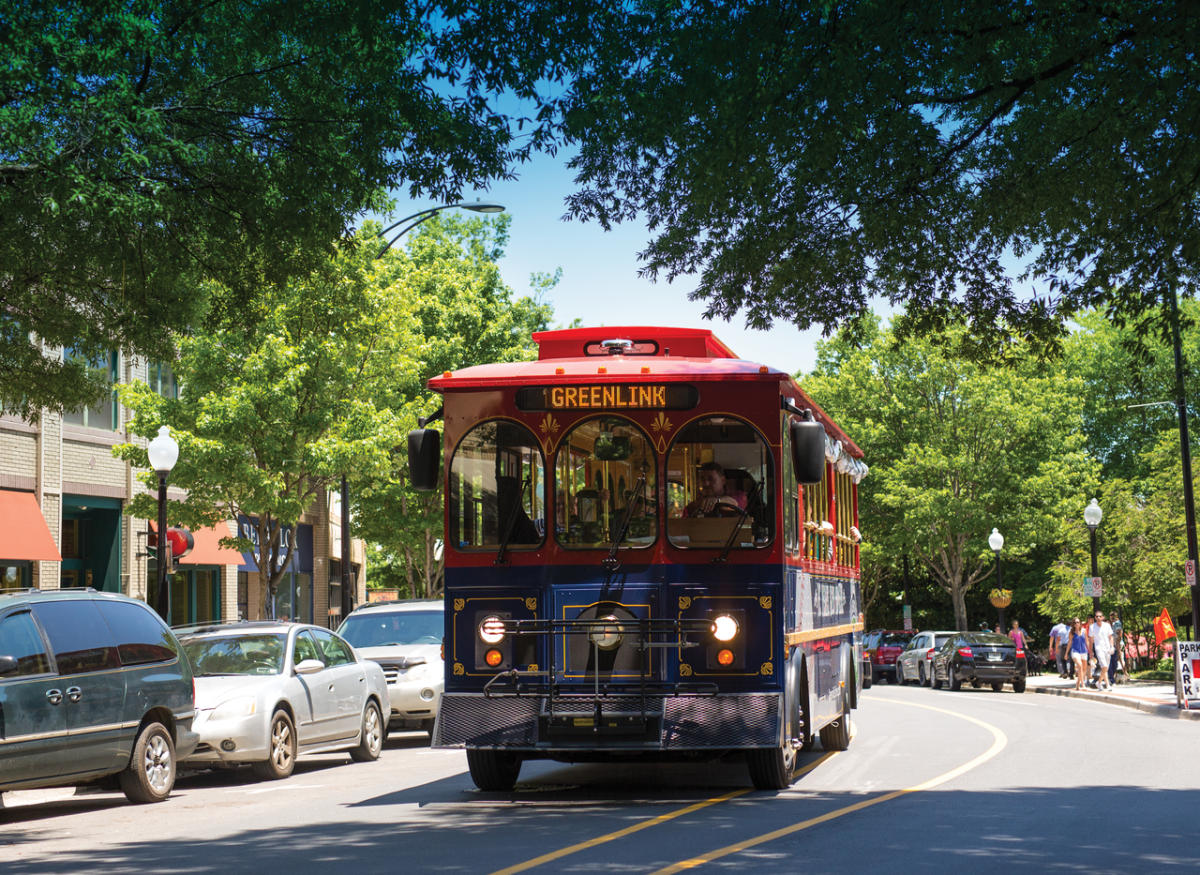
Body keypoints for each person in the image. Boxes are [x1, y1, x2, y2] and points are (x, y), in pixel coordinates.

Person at [1088, 610, 1115, 691]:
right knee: (1104, 666)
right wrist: (1091, 652)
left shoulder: (1107, 625)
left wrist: (1112, 647)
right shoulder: (1092, 627)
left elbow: (1110, 637)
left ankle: (1105, 684)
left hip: (1107, 649)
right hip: (1099, 648)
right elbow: (1091, 640)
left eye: (1100, 616)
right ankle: (1100, 682)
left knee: (1105, 668)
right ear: (1095, 618)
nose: (1098, 618)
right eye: (1097, 616)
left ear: (1103, 617)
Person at [1068, 618, 1089, 690]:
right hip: (1075, 651)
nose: (1076, 624)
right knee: (1080, 665)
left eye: (1078, 622)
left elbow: (1087, 641)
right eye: (1075, 623)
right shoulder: (1071, 632)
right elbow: (1070, 642)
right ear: (1073, 624)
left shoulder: (1084, 630)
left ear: (1080, 623)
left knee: (1084, 669)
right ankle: (1083, 685)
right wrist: (1066, 653)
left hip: (1084, 651)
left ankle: (1077, 684)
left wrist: (1090, 651)